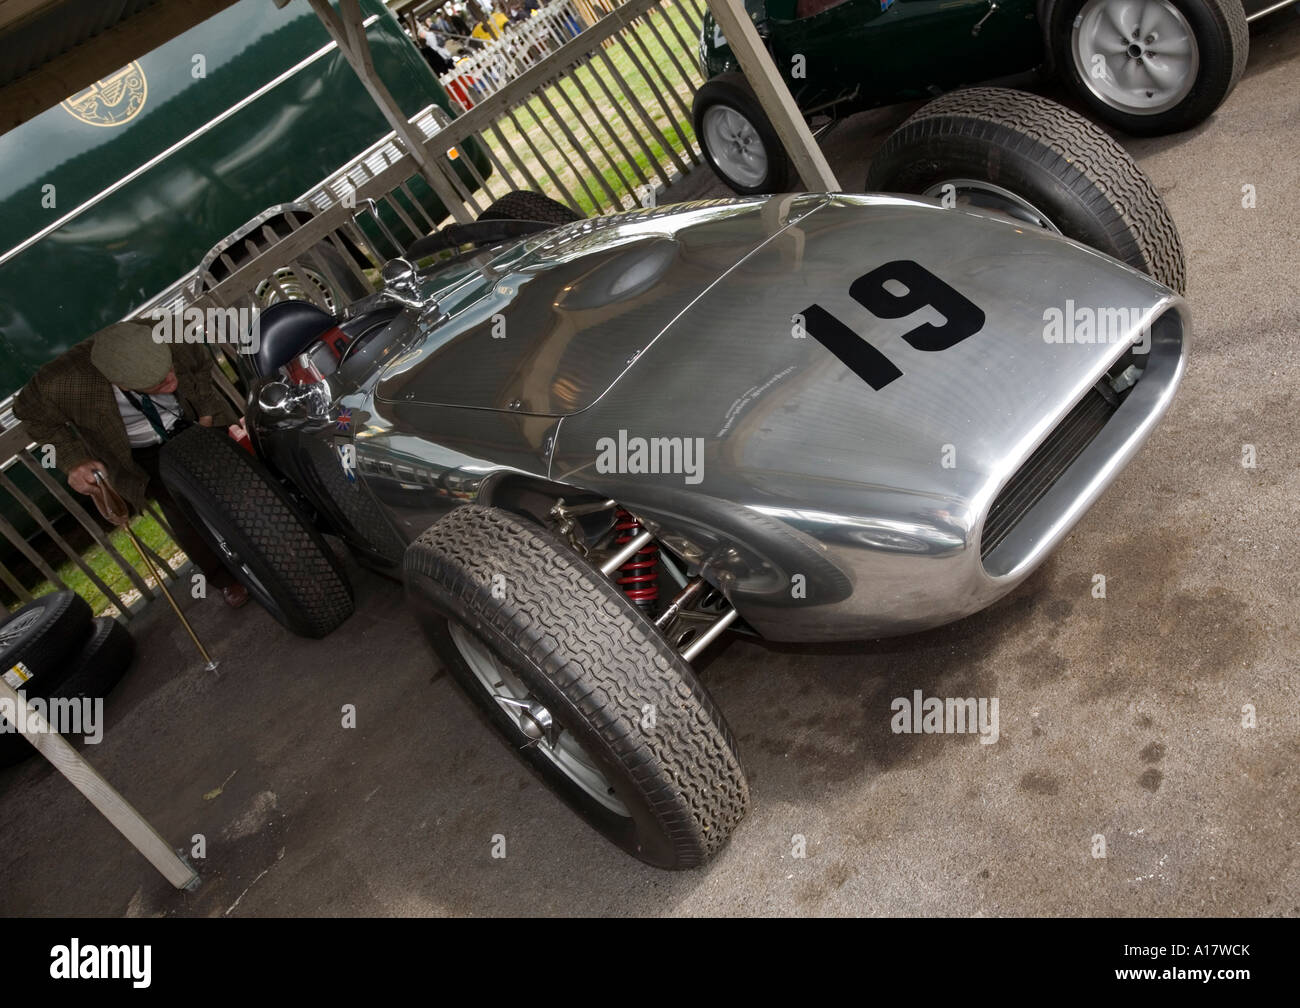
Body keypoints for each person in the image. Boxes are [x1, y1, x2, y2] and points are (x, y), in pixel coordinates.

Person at [14, 320, 250, 608]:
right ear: (120, 384)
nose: (171, 382)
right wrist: (73, 460)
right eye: (159, 383)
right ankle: (226, 578)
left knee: (246, 477)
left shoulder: (172, 334)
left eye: (169, 371)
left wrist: (206, 415)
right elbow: (32, 417)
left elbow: (199, 366)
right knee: (183, 513)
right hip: (142, 451)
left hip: (192, 420)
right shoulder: (63, 384)